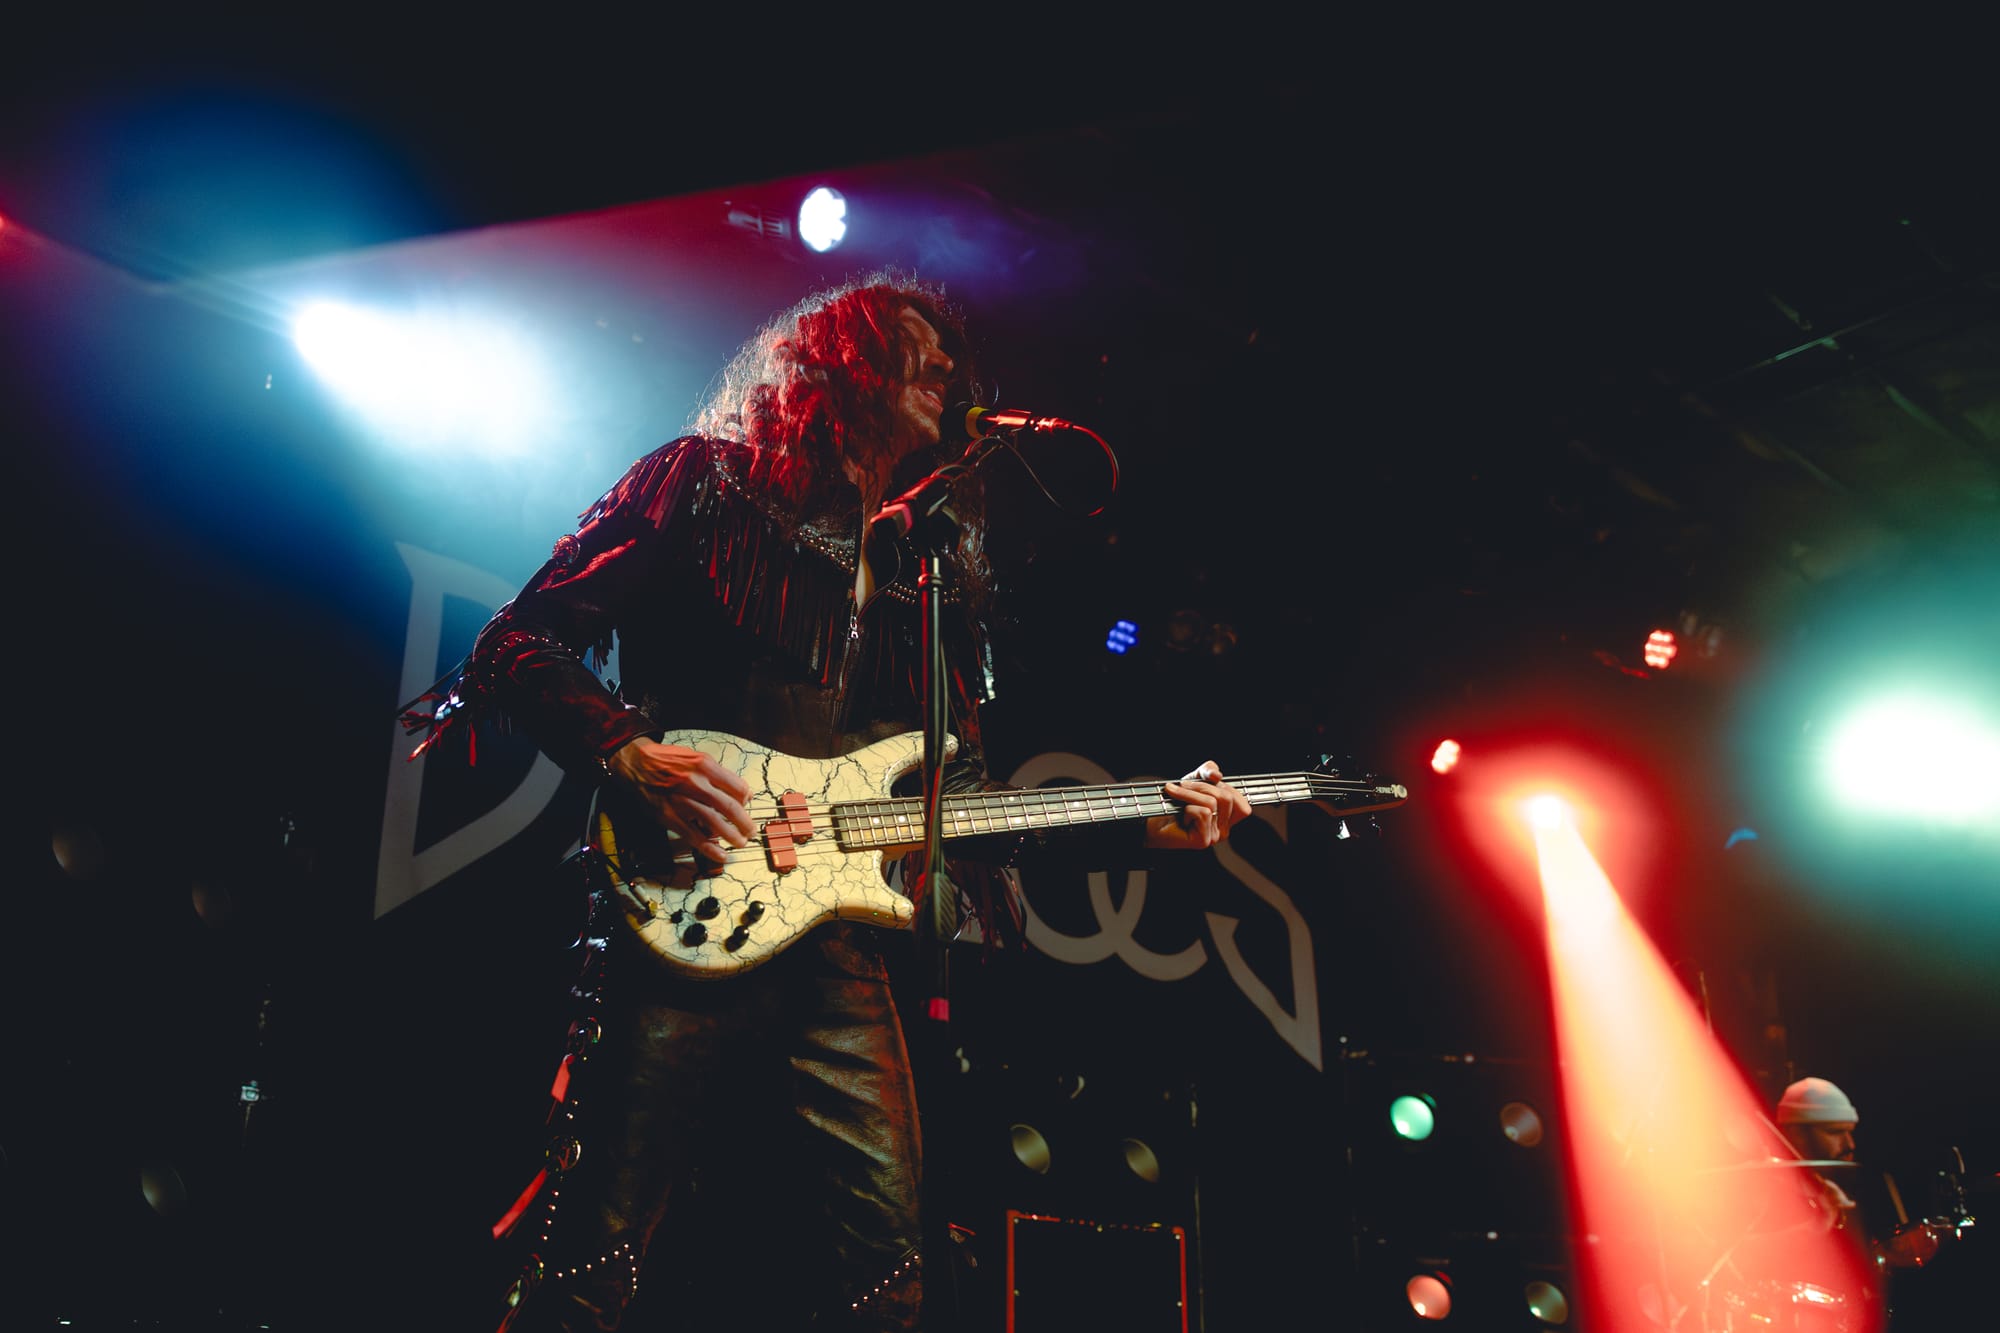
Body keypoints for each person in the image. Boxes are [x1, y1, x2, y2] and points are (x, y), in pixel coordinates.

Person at [407, 272, 1251, 1331]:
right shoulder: (703, 482)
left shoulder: (924, 571)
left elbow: (959, 805)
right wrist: (626, 749)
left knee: (888, 1275)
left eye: (949, 354)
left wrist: (1150, 829)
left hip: (834, 941)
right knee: (595, 1256)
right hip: (683, 903)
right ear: (838, 361)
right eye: (914, 344)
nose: (944, 367)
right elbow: (516, 639)